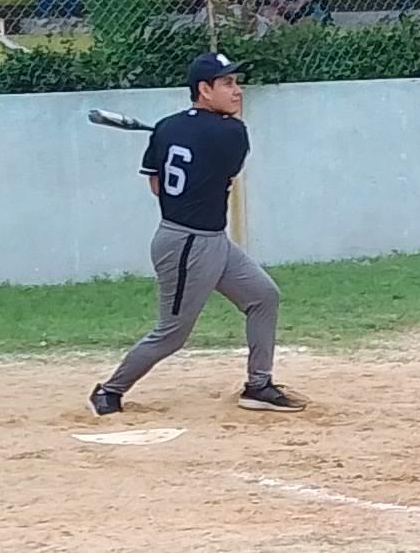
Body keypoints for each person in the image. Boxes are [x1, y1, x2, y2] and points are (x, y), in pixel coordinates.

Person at [87, 52, 307, 416]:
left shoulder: (166, 127)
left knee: (263, 296)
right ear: (204, 90)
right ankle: (109, 391)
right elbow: (226, 180)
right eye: (227, 84)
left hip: (208, 238)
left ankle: (259, 385)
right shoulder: (233, 133)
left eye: (236, 83)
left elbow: (157, 186)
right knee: (172, 332)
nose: (237, 91)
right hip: (187, 243)